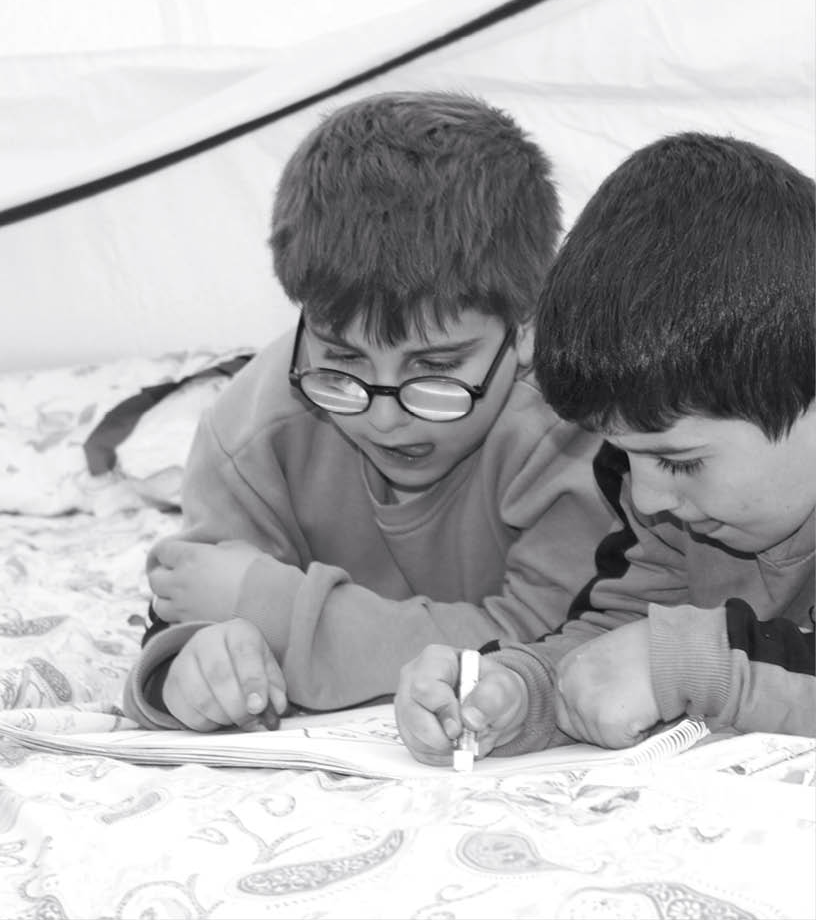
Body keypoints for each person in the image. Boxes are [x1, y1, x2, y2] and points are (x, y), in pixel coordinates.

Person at [122, 90, 614, 732]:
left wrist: (271, 605)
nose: (384, 418)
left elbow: (555, 646)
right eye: (341, 361)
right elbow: (189, 614)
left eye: (436, 369)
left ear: (526, 327)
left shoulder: (575, 431)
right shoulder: (254, 429)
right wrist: (193, 671)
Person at [395, 131, 815, 766]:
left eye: (680, 461)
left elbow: (673, 658)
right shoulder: (666, 502)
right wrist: (517, 692)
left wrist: (699, 669)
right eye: (628, 456)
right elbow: (616, 633)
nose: (648, 497)